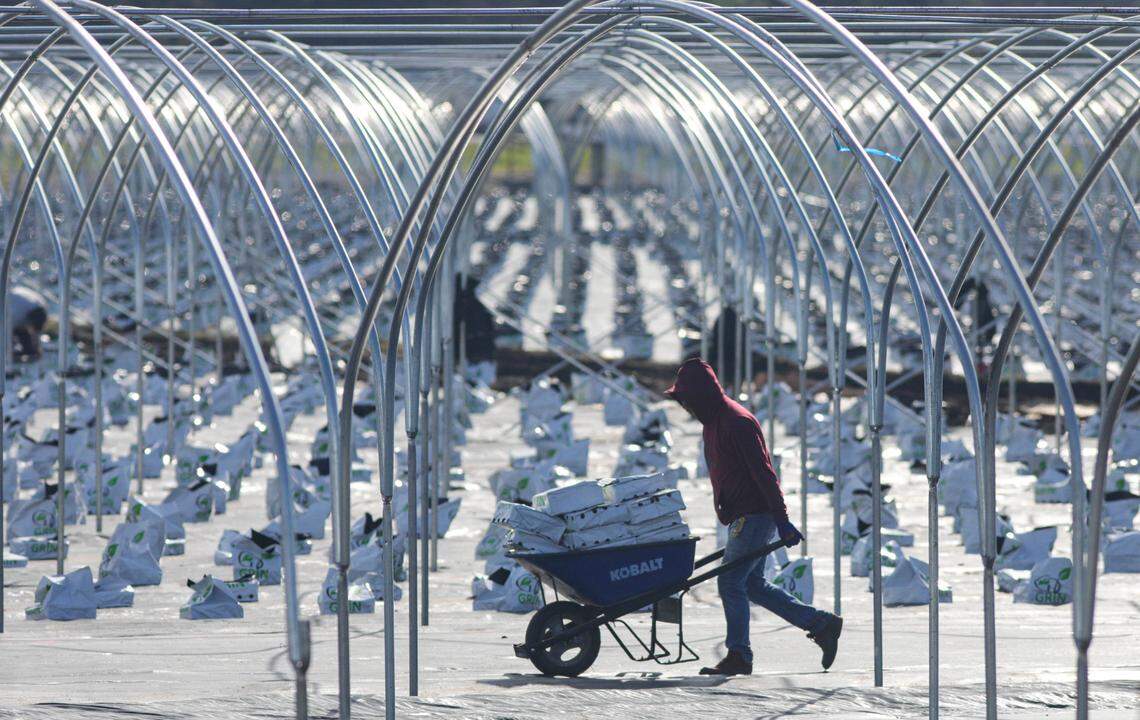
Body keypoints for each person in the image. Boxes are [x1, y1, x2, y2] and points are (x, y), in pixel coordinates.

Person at [665, 357, 843, 676]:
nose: (685, 407)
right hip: (741, 514)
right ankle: (821, 623)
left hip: (755, 513)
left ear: (702, 395)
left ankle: (739, 654)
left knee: (730, 581)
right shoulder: (714, 422)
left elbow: (764, 474)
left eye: (687, 399)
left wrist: (783, 519)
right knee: (753, 585)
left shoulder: (737, 422)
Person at [8, 286, 48, 361]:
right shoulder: (17, 290)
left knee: (31, 332)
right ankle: (30, 351)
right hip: (40, 306)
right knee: (22, 331)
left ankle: (33, 353)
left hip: (35, 311)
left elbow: (12, 320)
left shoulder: (9, 296)